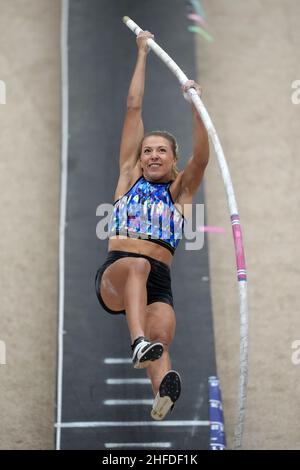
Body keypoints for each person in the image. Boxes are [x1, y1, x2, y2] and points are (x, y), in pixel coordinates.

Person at [95, 30, 209, 420]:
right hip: (118, 272)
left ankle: (161, 392)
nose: (153, 155)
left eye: (161, 150)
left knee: (163, 334)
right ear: (140, 158)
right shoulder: (128, 177)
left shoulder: (181, 193)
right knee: (139, 268)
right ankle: (136, 341)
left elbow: (202, 158)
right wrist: (142, 53)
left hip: (159, 277)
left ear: (172, 157)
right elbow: (133, 108)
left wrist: (196, 107)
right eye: (148, 150)